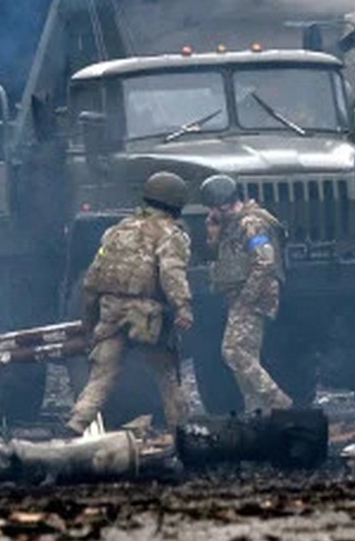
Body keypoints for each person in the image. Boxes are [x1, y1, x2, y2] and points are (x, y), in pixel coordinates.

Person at [65, 171, 194, 436]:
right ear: (176, 203)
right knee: (166, 374)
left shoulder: (116, 232)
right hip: (146, 316)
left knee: (101, 376)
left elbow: (93, 276)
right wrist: (183, 307)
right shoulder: (171, 234)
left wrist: (89, 319)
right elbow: (172, 273)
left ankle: (76, 425)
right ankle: (181, 432)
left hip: (111, 311)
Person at [199, 174, 294, 413]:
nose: (211, 212)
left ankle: (278, 401)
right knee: (247, 357)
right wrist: (214, 232)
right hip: (241, 295)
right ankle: (257, 411)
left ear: (220, 205)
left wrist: (247, 299)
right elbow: (220, 256)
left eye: (212, 208)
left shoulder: (251, 223)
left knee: (234, 351)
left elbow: (265, 261)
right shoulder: (232, 224)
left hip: (254, 295)